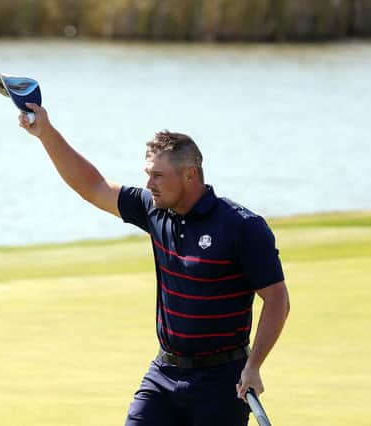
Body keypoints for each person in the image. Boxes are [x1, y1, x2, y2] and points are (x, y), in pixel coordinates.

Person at [19, 103, 290, 426]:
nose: (149, 185)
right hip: (164, 374)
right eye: (148, 174)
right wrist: (45, 134)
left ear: (190, 175)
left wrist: (254, 365)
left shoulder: (241, 227)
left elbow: (277, 300)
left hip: (221, 380)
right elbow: (93, 187)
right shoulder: (154, 209)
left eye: (158, 176)